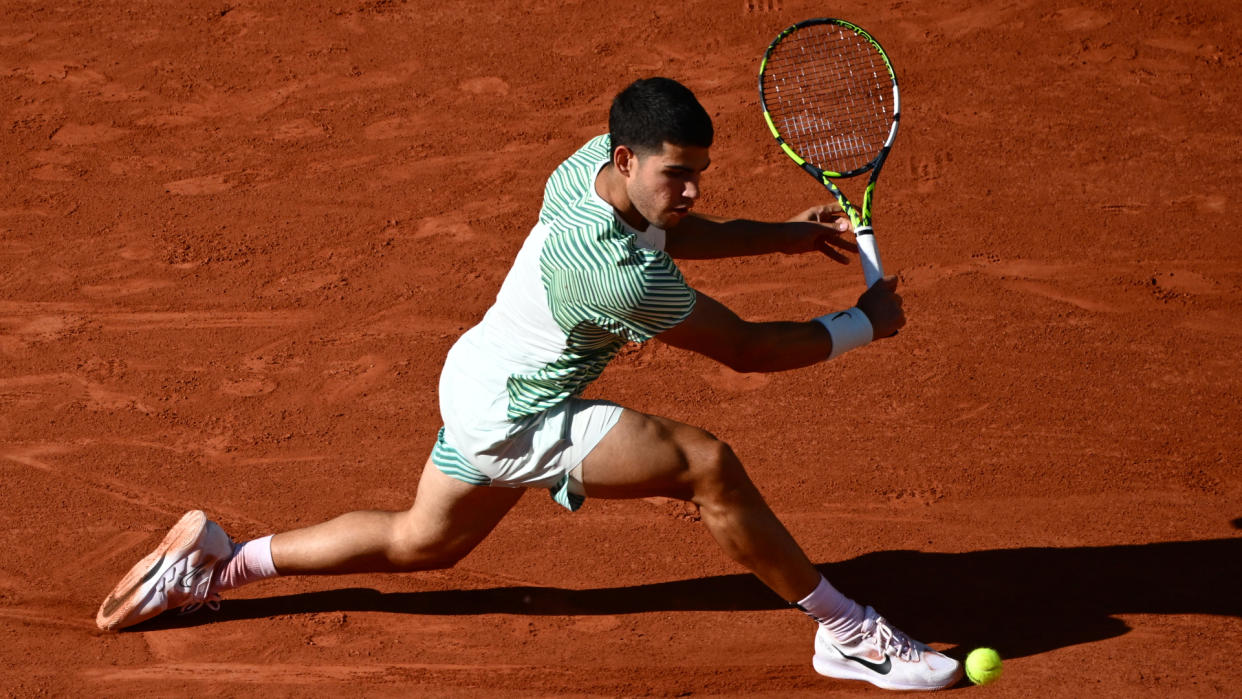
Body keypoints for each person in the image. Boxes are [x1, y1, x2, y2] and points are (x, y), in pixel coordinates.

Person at [95, 77, 961, 691]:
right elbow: (744, 350)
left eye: (700, 169)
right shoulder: (616, 277)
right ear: (628, 156)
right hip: (521, 413)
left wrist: (778, 237)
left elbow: (670, 230)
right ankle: (847, 634)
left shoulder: (588, 168)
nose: (691, 188)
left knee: (420, 544)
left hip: (478, 375)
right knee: (708, 465)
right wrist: (861, 325)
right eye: (676, 172)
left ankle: (217, 563)